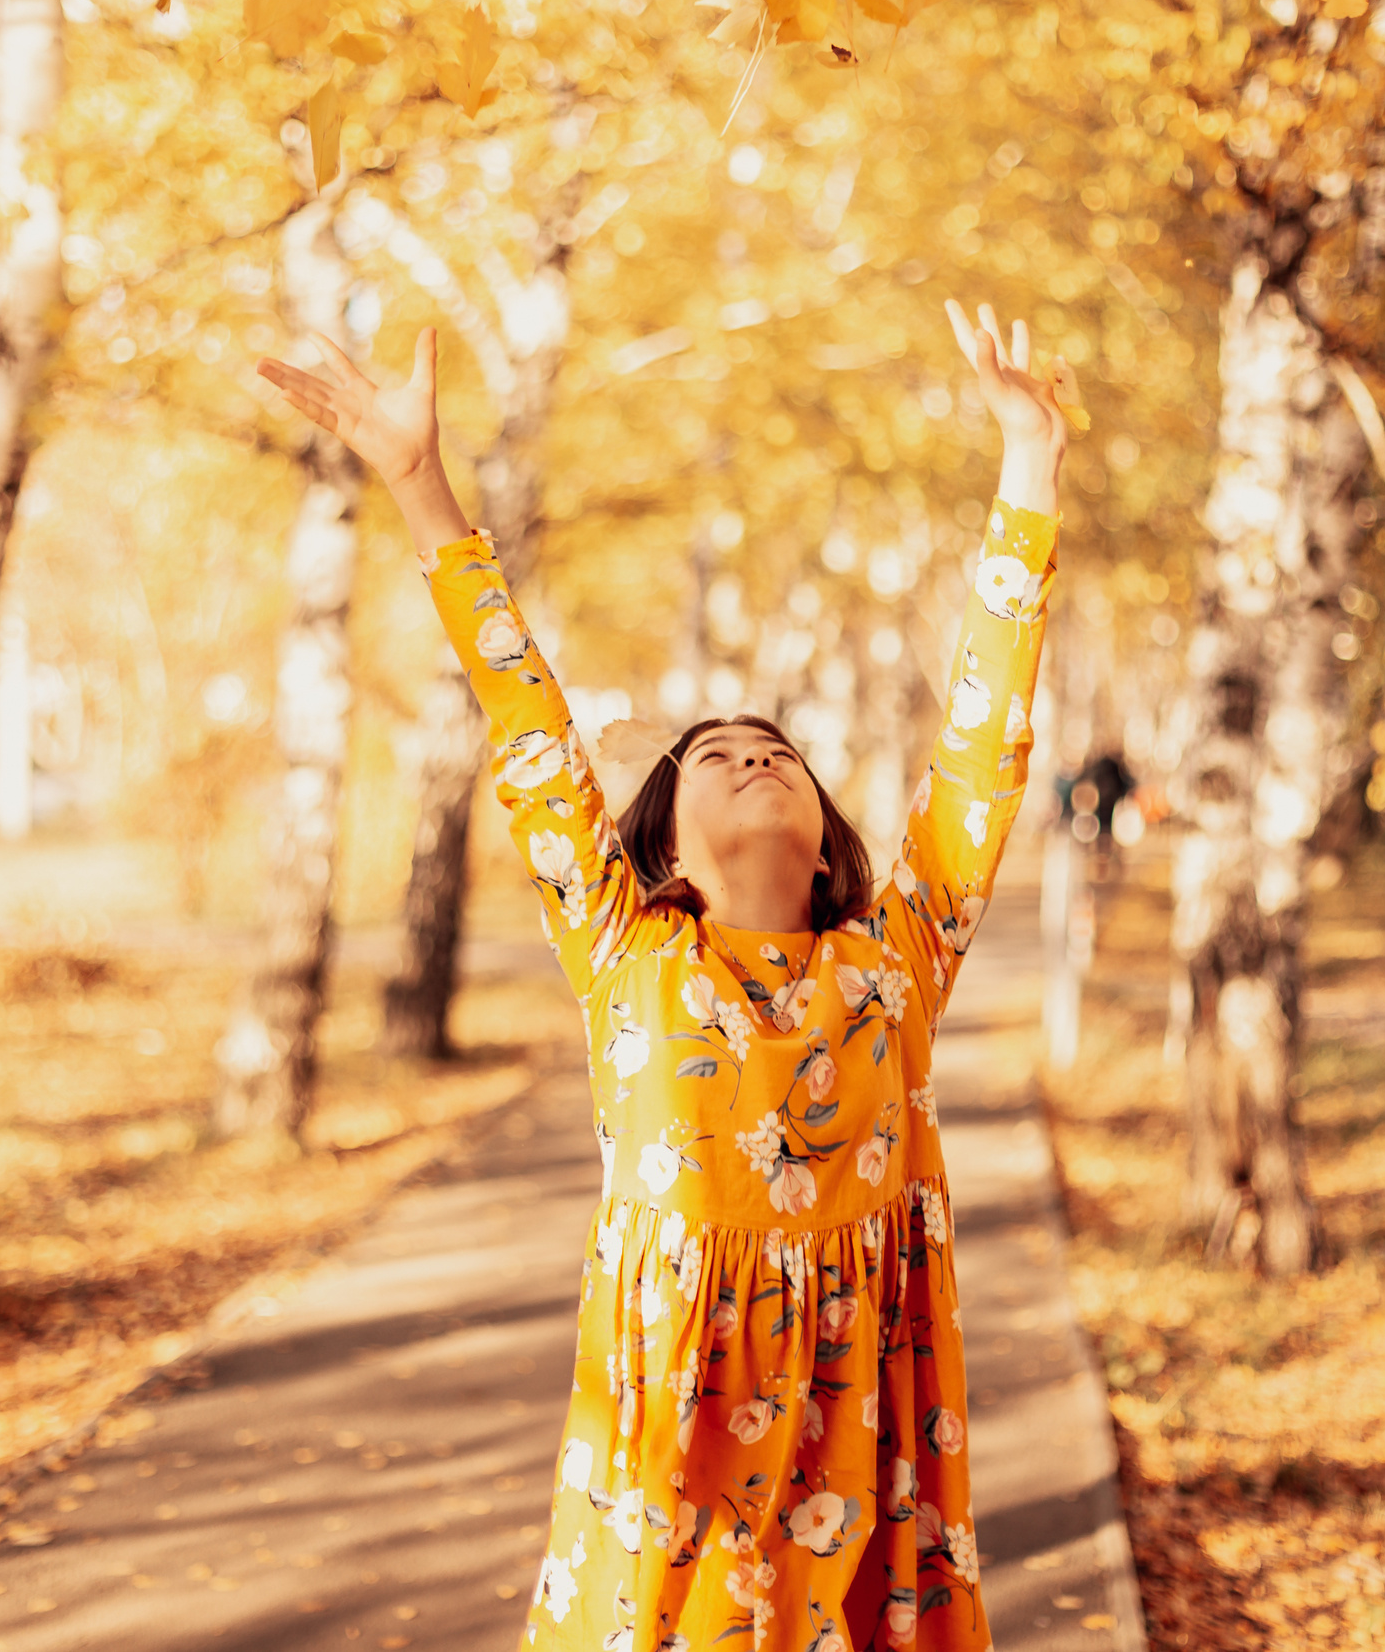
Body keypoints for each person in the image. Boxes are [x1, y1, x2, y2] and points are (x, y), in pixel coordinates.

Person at [254, 297, 1071, 1652]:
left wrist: (1029, 462)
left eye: (776, 750)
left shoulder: (896, 956)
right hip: (673, 1469)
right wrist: (416, 479)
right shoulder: (629, 950)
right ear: (666, 848)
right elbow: (526, 717)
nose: (753, 755)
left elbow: (987, 742)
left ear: (828, 842)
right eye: (714, 755)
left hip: (864, 1455)